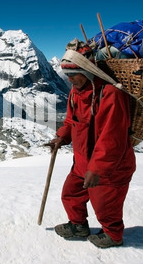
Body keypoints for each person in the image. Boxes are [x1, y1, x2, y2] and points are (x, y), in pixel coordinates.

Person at [49, 42, 136, 248]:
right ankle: (78, 226)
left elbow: (112, 138)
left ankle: (113, 235)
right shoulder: (75, 93)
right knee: (71, 194)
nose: (69, 80)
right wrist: (62, 136)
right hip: (82, 161)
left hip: (110, 167)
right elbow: (72, 121)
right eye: (67, 76)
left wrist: (97, 168)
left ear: (87, 71)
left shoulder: (111, 94)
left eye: (73, 75)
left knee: (106, 204)